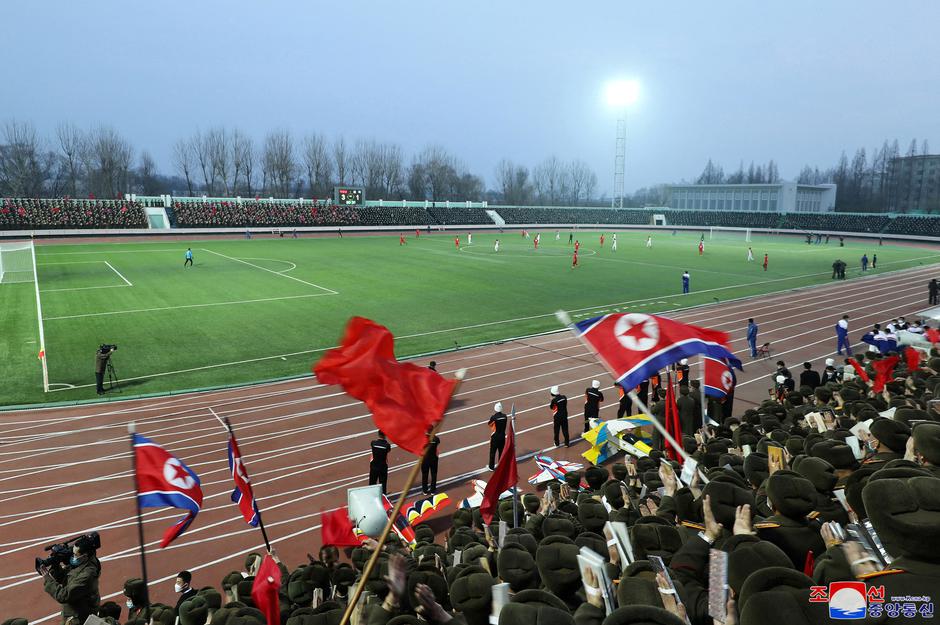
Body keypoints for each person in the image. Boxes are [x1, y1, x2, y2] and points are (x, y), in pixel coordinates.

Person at [41, 534, 101, 625]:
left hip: (79, 618)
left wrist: (48, 579)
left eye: (75, 555)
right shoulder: (85, 562)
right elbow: (65, 578)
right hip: (78, 612)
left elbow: (64, 595)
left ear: (85, 556)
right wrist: (55, 564)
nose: (72, 556)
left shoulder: (87, 575)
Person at [488, 403, 508, 470]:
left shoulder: (493, 417)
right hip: (502, 437)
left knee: (492, 452)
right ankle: (501, 465)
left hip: (495, 437)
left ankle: (491, 467)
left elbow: (489, 424)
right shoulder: (505, 416)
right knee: (501, 452)